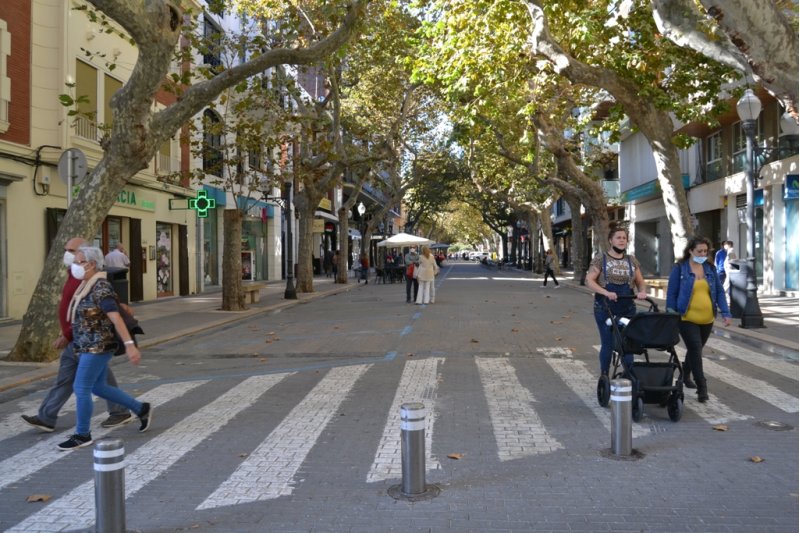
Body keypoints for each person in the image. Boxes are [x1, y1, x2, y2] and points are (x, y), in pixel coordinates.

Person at [22, 237, 132, 433]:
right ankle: (48, 416)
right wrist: (66, 333)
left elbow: (100, 313)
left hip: (89, 341)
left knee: (85, 385)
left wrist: (130, 344)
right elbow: (73, 310)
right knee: (76, 380)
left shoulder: (94, 282)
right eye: (67, 250)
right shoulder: (76, 277)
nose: (68, 254)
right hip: (80, 339)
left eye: (72, 251)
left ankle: (84, 429)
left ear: (87, 258)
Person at [57, 246, 153, 450]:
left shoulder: (100, 287)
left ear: (91, 264)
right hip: (85, 346)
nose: (75, 265)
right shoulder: (86, 285)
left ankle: (82, 434)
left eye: (79, 261)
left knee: (81, 387)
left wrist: (130, 345)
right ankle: (141, 408)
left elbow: (115, 318)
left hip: (98, 346)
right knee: (98, 387)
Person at [666, 236, 732, 403]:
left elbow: (718, 292)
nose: (703, 254)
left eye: (705, 251)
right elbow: (671, 293)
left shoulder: (709, 268)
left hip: (707, 319)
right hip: (686, 317)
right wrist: (671, 313)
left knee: (694, 350)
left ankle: (685, 373)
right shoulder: (680, 268)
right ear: (690, 251)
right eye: (699, 251)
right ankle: (702, 387)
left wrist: (725, 313)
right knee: (695, 349)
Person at [584, 227, 648, 378]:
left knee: (627, 343)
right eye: (618, 237)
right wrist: (606, 292)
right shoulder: (601, 259)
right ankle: (604, 376)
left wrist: (642, 291)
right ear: (610, 240)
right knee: (607, 344)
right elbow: (589, 280)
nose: (621, 240)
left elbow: (640, 281)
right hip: (605, 307)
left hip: (627, 307)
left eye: (624, 238)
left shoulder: (632, 260)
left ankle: (629, 376)